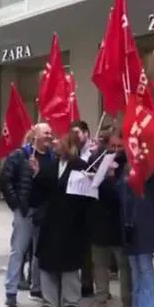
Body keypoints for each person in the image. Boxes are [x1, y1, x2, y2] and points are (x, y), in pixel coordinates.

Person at [0, 123, 54, 307]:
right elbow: (5, 180)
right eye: (46, 132)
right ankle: (11, 291)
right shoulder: (20, 155)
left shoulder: (53, 157)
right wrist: (16, 204)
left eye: (50, 133)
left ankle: (36, 287)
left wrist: (39, 174)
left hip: (44, 211)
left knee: (40, 252)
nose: (49, 136)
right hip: (25, 210)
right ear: (35, 135)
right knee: (18, 250)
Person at [34, 133, 90, 307]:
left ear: (69, 146)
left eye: (59, 141)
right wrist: (36, 174)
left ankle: (70, 300)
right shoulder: (50, 165)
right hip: (50, 220)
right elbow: (40, 192)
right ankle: (50, 300)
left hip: (71, 221)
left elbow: (86, 198)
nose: (54, 144)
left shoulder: (81, 167)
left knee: (70, 263)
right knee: (47, 261)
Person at [82, 136, 132, 307]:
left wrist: (112, 178)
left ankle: (127, 303)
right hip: (99, 224)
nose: (116, 150)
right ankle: (101, 300)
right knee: (100, 265)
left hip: (119, 225)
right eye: (113, 146)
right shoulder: (97, 162)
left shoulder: (127, 167)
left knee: (123, 267)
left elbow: (123, 195)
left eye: (120, 146)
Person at [118, 156, 154, 307]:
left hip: (145, 225)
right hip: (129, 225)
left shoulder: (151, 173)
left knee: (145, 268)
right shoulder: (125, 171)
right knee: (135, 269)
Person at [69, 120, 96, 298]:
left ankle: (87, 283)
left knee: (88, 248)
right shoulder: (73, 150)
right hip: (75, 202)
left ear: (86, 133)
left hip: (90, 204)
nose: (75, 136)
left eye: (78, 132)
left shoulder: (93, 151)